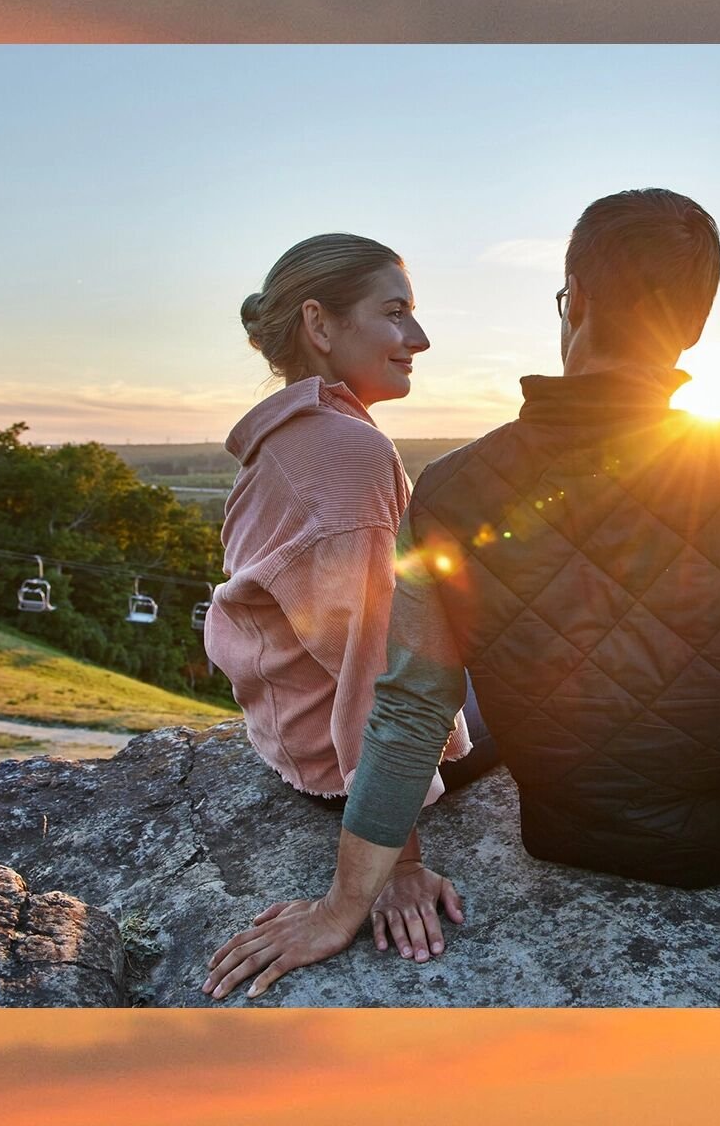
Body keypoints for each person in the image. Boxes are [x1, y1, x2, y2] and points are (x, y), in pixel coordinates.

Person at [204, 193, 720, 1001]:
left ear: (575, 302)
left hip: (563, 829)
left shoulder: (451, 487)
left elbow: (412, 708)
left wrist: (341, 906)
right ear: (694, 329)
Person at [202, 233, 497, 965]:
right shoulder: (351, 456)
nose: (418, 338)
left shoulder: (293, 434)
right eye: (395, 313)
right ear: (321, 325)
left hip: (287, 735)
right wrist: (392, 865)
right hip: (337, 763)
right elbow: (374, 662)